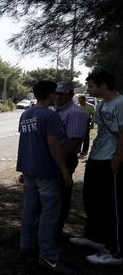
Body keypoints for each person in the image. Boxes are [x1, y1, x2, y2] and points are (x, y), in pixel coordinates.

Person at [18, 80, 75, 275]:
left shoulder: (26, 114)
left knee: (30, 208)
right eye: (55, 94)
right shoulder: (50, 116)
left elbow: (28, 141)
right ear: (50, 95)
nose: (56, 97)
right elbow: (54, 145)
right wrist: (65, 171)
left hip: (28, 169)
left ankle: (26, 244)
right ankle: (48, 257)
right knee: (50, 213)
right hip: (46, 171)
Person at [70, 71, 123, 265]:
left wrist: (117, 158)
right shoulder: (101, 105)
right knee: (92, 199)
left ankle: (115, 251)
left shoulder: (120, 103)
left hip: (111, 160)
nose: (88, 89)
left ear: (103, 86)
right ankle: (94, 236)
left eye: (91, 86)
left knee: (112, 206)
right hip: (96, 157)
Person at [53, 82, 87, 240]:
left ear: (71, 94)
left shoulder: (74, 112)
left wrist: (57, 161)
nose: (58, 96)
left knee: (61, 196)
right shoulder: (59, 110)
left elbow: (73, 142)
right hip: (57, 158)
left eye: (62, 94)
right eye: (56, 93)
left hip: (65, 158)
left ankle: (56, 229)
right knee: (53, 195)